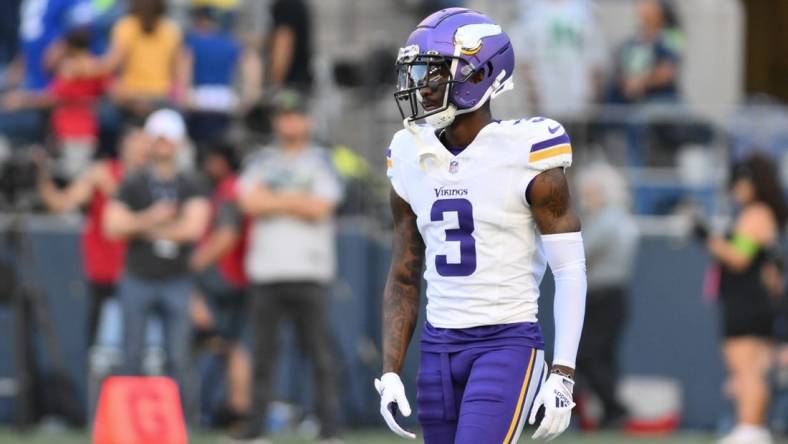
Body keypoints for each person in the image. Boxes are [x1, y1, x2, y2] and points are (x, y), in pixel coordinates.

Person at [377, 8, 587, 443]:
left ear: (479, 75)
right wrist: (390, 371)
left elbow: (569, 270)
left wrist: (563, 373)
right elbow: (403, 274)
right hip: (436, 348)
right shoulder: (408, 153)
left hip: (505, 342)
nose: (420, 86)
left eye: (433, 73)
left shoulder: (527, 150)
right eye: (416, 73)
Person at [233, 90, 344, 442]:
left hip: (309, 270)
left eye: (294, 115)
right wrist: (298, 200)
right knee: (263, 355)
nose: (288, 122)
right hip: (267, 270)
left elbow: (322, 207)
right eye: (282, 116)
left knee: (320, 355)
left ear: (307, 121)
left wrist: (275, 200)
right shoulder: (260, 161)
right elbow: (248, 202)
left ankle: (329, 428)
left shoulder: (322, 161)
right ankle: (254, 429)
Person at [103, 108, 210, 418]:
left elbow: (192, 229)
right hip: (138, 276)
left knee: (179, 356)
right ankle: (131, 427)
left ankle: (179, 427)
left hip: (176, 278)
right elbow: (112, 226)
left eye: (168, 139)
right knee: (131, 355)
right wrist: (153, 217)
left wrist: (140, 227)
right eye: (158, 138)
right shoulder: (134, 183)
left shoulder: (191, 183)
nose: (162, 145)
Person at [693, 153, 788, 444]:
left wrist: (706, 237)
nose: (736, 188)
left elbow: (738, 258)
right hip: (757, 302)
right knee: (755, 370)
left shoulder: (755, 214)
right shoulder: (764, 213)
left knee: (744, 368)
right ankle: (754, 429)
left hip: (746, 302)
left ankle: (749, 428)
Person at [37, 124, 150, 346]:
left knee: (141, 341)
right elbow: (61, 203)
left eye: (144, 144)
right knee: (98, 340)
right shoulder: (101, 172)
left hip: (143, 272)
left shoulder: (155, 180)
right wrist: (41, 173)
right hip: (103, 270)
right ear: (123, 146)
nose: (140, 150)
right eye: (135, 143)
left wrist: (114, 191)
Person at [189, 142, 251, 429]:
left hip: (226, 276)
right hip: (238, 275)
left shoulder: (230, 189)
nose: (207, 166)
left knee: (232, 344)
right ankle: (236, 410)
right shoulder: (234, 187)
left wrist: (193, 265)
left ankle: (237, 407)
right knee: (234, 346)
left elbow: (227, 235)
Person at [575, 162, 639, 429]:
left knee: (589, 355)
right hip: (610, 297)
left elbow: (580, 250)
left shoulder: (607, 221)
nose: (586, 198)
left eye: (591, 192)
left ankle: (614, 408)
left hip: (603, 297)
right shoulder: (619, 219)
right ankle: (611, 411)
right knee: (604, 357)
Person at [181, 4, 260, 150]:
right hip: (225, 99)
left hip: (199, 99)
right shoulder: (231, 42)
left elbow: (185, 69)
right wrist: (249, 97)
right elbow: (251, 65)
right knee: (222, 144)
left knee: (200, 145)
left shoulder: (193, 41)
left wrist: (184, 94)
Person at [513, 0, 605, 120]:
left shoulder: (586, 9)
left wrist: (595, 97)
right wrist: (533, 93)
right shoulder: (528, 10)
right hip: (543, 101)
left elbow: (596, 55)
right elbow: (523, 57)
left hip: (579, 100)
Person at [101, 0, 185, 117]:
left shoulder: (126, 26)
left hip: (135, 97)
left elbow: (110, 64)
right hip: (157, 97)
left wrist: (84, 67)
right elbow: (181, 68)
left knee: (107, 117)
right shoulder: (171, 29)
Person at [48, 27, 107, 179]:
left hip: (75, 130)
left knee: (75, 177)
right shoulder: (97, 66)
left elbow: (52, 97)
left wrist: (21, 100)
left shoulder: (68, 68)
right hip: (82, 131)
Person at [607, 0, 681, 104]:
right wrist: (627, 84)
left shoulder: (672, 37)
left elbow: (668, 71)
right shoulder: (630, 43)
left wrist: (641, 83)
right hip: (629, 103)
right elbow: (620, 70)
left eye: (649, 4)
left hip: (660, 100)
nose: (643, 8)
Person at [266, 0, 312, 93]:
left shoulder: (285, 4)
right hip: (300, 82)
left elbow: (284, 40)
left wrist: (275, 84)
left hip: (289, 86)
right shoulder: (297, 4)